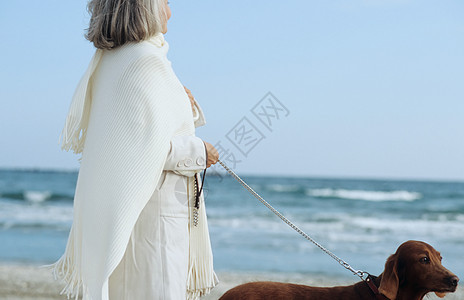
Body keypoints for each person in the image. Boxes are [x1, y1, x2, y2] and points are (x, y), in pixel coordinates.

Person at [49, 0, 219, 299]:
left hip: (132, 216)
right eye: (166, 2)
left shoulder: (112, 61)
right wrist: (199, 151)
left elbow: (140, 131)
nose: (171, 12)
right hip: (154, 224)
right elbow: (141, 148)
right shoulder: (145, 60)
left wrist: (181, 102)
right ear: (148, 7)